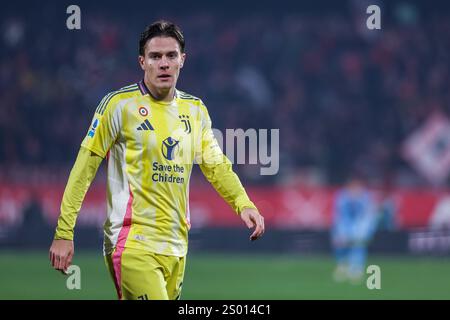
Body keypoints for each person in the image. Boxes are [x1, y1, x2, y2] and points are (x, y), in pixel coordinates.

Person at [49, 20, 264, 300]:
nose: (164, 63)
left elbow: (215, 165)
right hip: (131, 242)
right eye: (155, 56)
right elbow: (84, 168)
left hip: (177, 245)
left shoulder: (195, 110)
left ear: (182, 60)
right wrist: (64, 231)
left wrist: (242, 202)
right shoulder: (118, 106)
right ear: (142, 62)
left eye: (171, 56)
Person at [331, 175, 377, 284]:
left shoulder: (366, 197)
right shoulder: (342, 196)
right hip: (345, 226)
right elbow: (340, 214)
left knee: (358, 245)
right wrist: (341, 230)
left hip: (361, 227)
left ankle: (356, 268)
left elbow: (369, 215)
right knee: (340, 244)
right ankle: (342, 266)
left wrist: (364, 229)